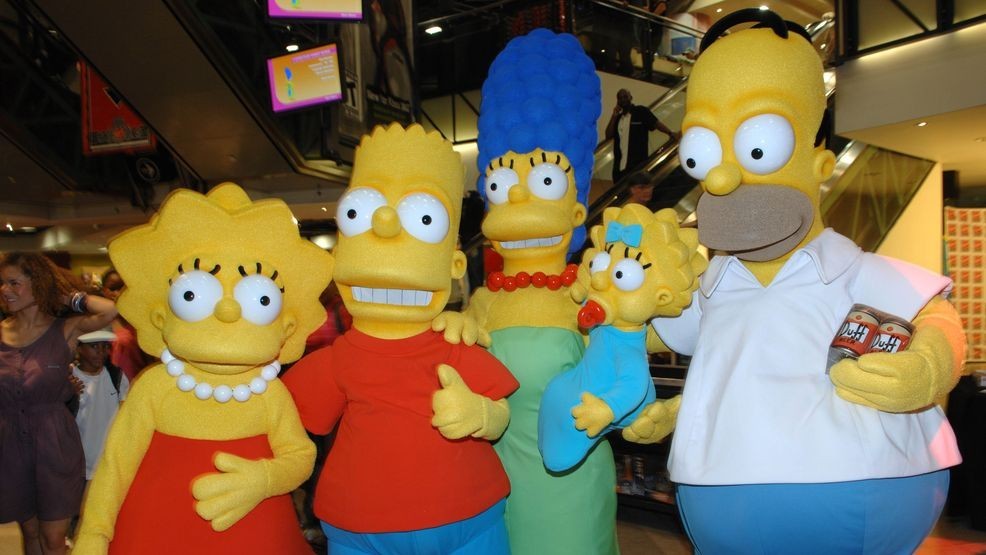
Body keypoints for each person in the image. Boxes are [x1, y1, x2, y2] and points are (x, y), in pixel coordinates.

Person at [625, 10, 967, 553]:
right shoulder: (713, 283)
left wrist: (927, 367)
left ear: (820, 163)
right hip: (721, 483)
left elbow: (935, 317)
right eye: (703, 154)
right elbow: (656, 334)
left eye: (758, 148)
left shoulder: (854, 271)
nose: (723, 177)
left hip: (859, 476)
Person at [284, 123, 518, 554]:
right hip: (362, 522)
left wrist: (482, 415)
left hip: (467, 515)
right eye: (359, 214)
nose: (387, 228)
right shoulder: (339, 359)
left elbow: (504, 413)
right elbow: (291, 419)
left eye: (423, 219)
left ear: (453, 265)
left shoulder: (454, 342)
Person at [0, 252, 117, 555]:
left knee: (54, 539)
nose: (5, 290)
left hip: (53, 442)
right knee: (31, 533)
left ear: (36, 284)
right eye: (1, 283)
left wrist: (65, 297)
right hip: (10, 442)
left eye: (14, 282)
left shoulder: (64, 329)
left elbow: (108, 309)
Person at [71, 328, 128, 482]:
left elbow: (125, 414)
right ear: (79, 348)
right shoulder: (70, 379)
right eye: (94, 347)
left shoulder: (116, 376)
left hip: (109, 460)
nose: (101, 352)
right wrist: (69, 395)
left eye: (105, 347)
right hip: (79, 464)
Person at [605, 88, 678, 183]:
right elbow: (608, 135)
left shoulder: (640, 111)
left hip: (637, 166)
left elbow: (656, 123)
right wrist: (614, 115)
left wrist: (670, 133)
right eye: (620, 98)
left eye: (625, 96)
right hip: (619, 169)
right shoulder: (618, 119)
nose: (623, 99)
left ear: (631, 97)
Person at [100, 268, 152, 381]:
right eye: (112, 288)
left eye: (121, 288)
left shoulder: (138, 319)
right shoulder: (97, 321)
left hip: (138, 381)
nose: (117, 293)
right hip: (109, 384)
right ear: (104, 290)